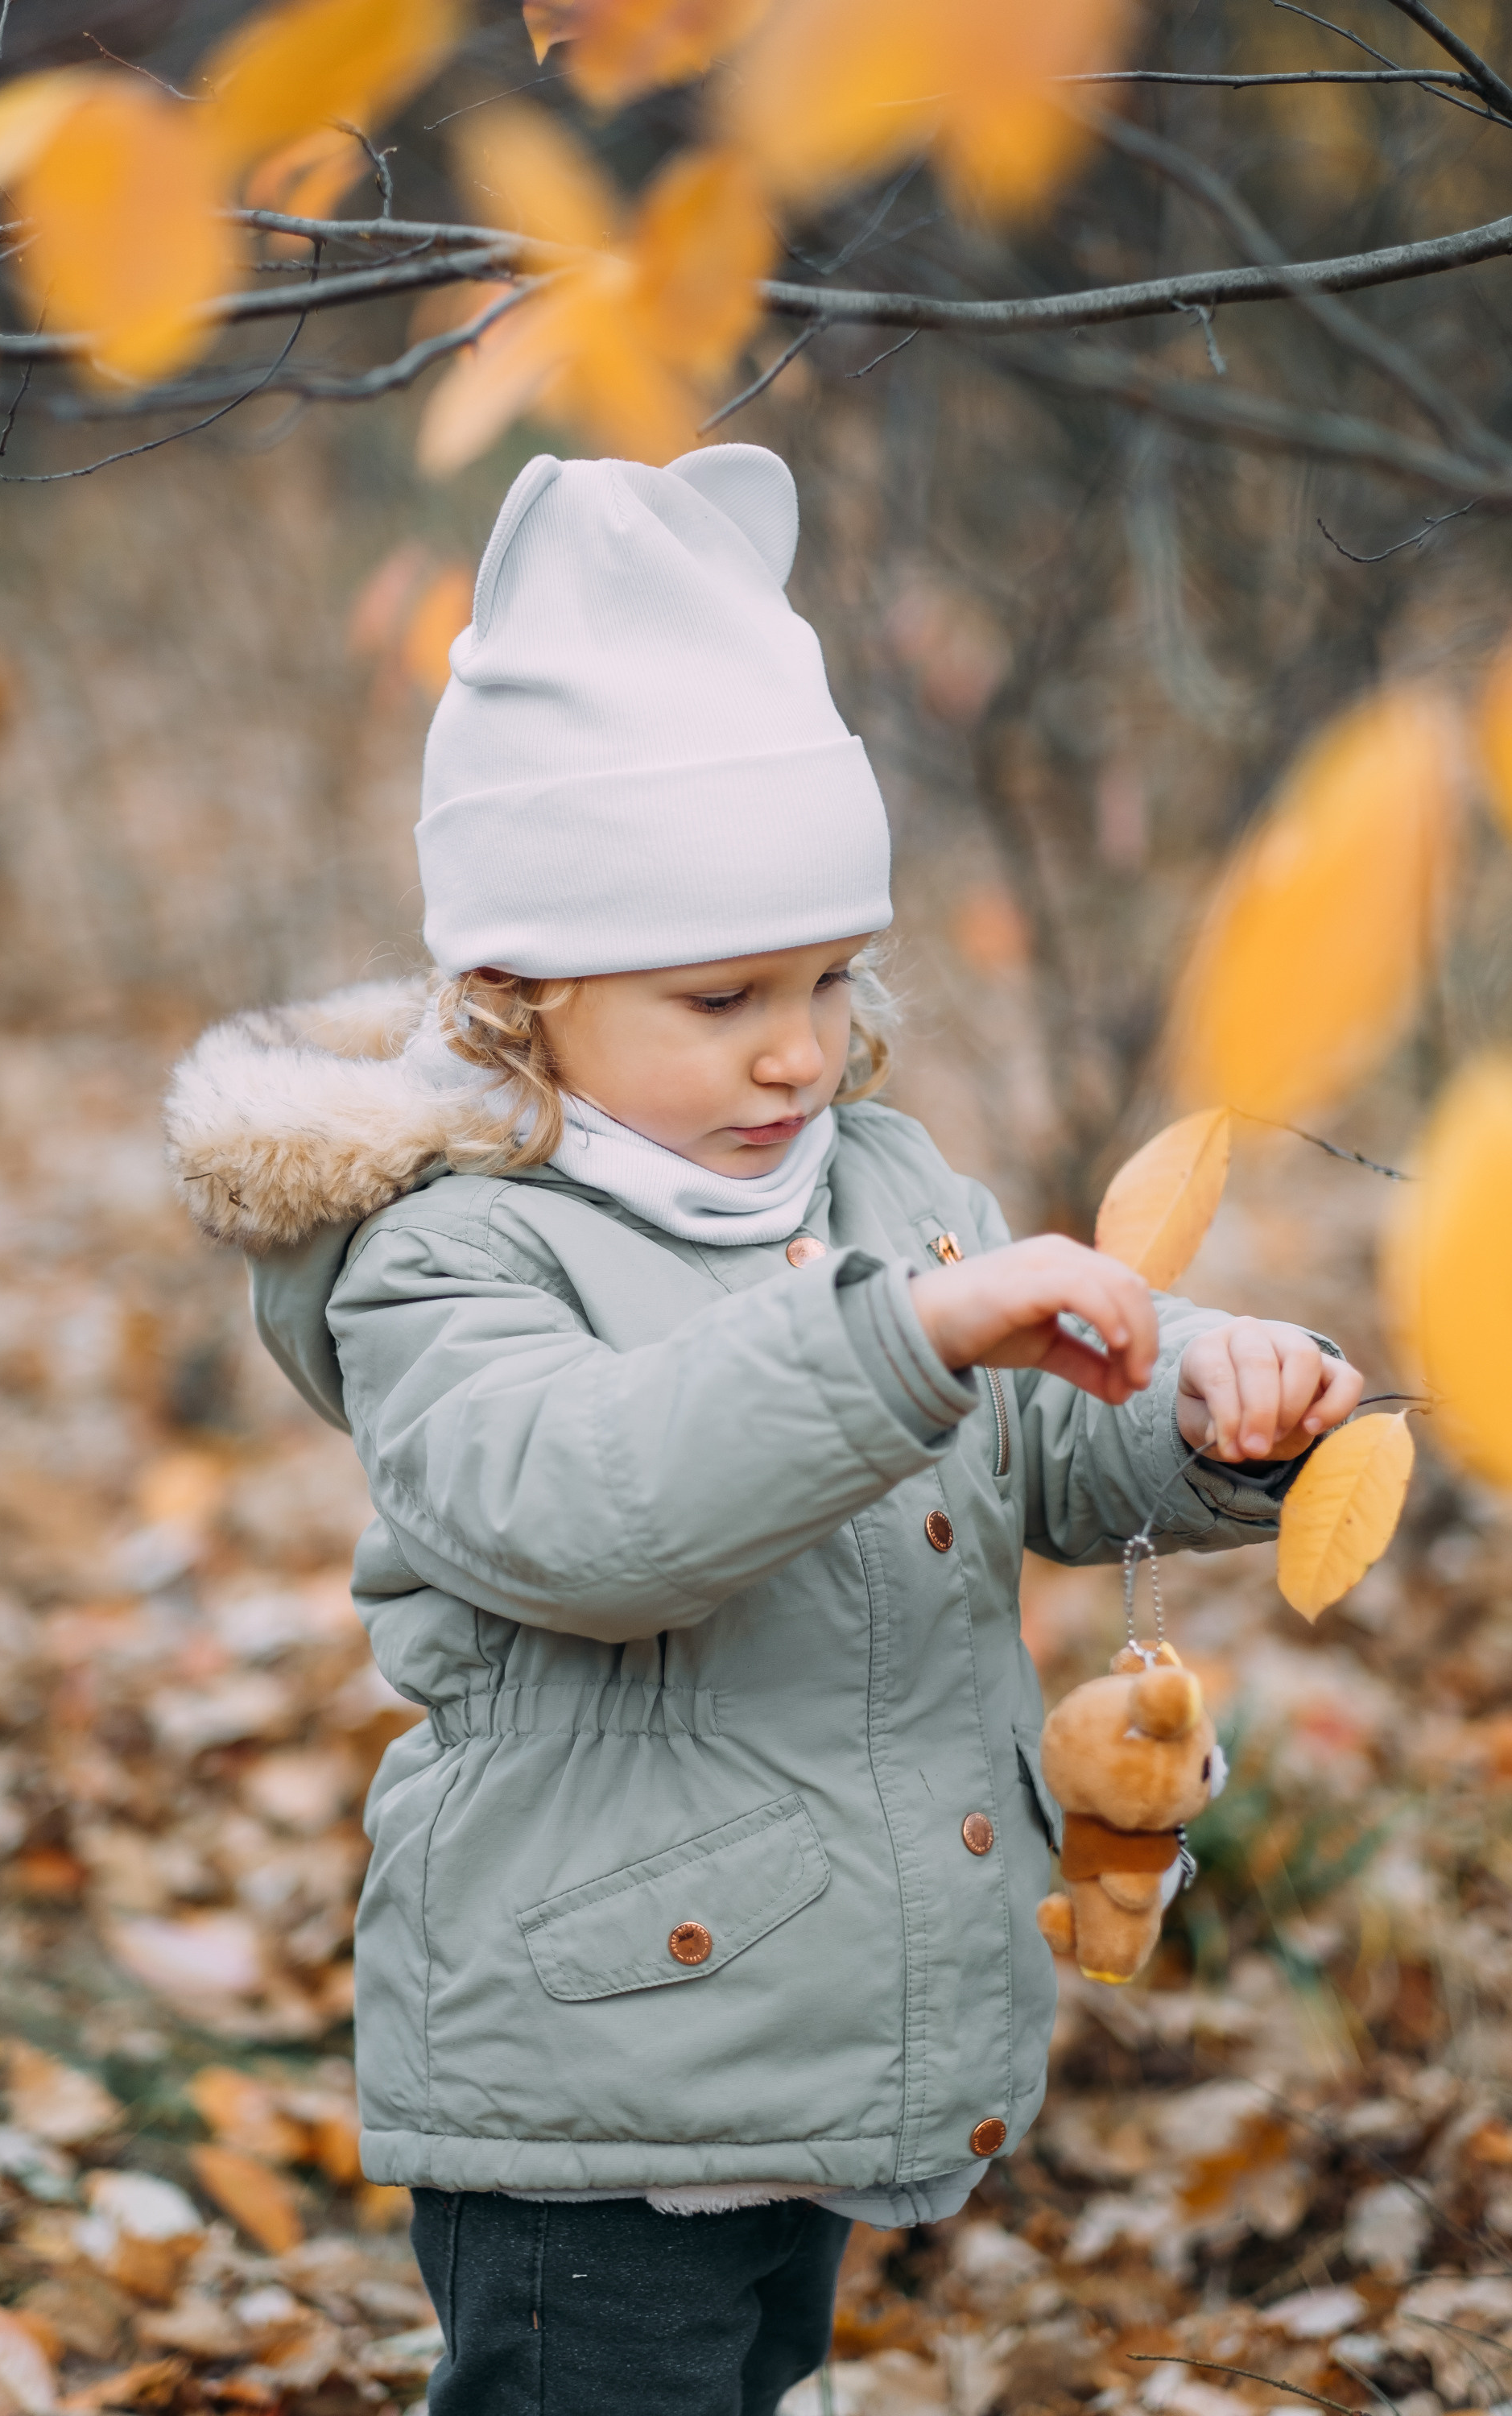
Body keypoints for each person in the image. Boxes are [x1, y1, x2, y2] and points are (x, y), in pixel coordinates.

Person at [165, 445, 1361, 2416]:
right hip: (590, 2078)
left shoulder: (874, 1178)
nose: (798, 1049)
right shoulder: (448, 1251)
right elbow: (579, 1508)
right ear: (515, 997)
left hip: (805, 2028)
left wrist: (1213, 1410)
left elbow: (1029, 1448)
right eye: (722, 996)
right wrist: (903, 1339)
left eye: (826, 979)